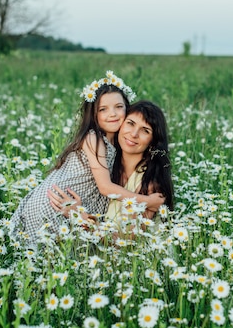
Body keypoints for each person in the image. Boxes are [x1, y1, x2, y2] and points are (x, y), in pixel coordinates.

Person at [9, 72, 165, 245]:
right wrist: (148, 201)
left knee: (53, 259)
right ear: (94, 115)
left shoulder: (123, 155)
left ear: (127, 109)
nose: (112, 114)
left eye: (118, 107)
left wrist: (82, 217)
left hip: (71, 208)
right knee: (43, 259)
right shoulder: (94, 138)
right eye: (103, 109)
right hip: (53, 204)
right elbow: (105, 187)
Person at [48, 100, 174, 234]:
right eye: (130, 123)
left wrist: (80, 217)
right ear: (120, 124)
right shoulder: (106, 166)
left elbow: (123, 243)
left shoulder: (150, 185)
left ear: (153, 142)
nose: (134, 134)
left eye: (145, 130)